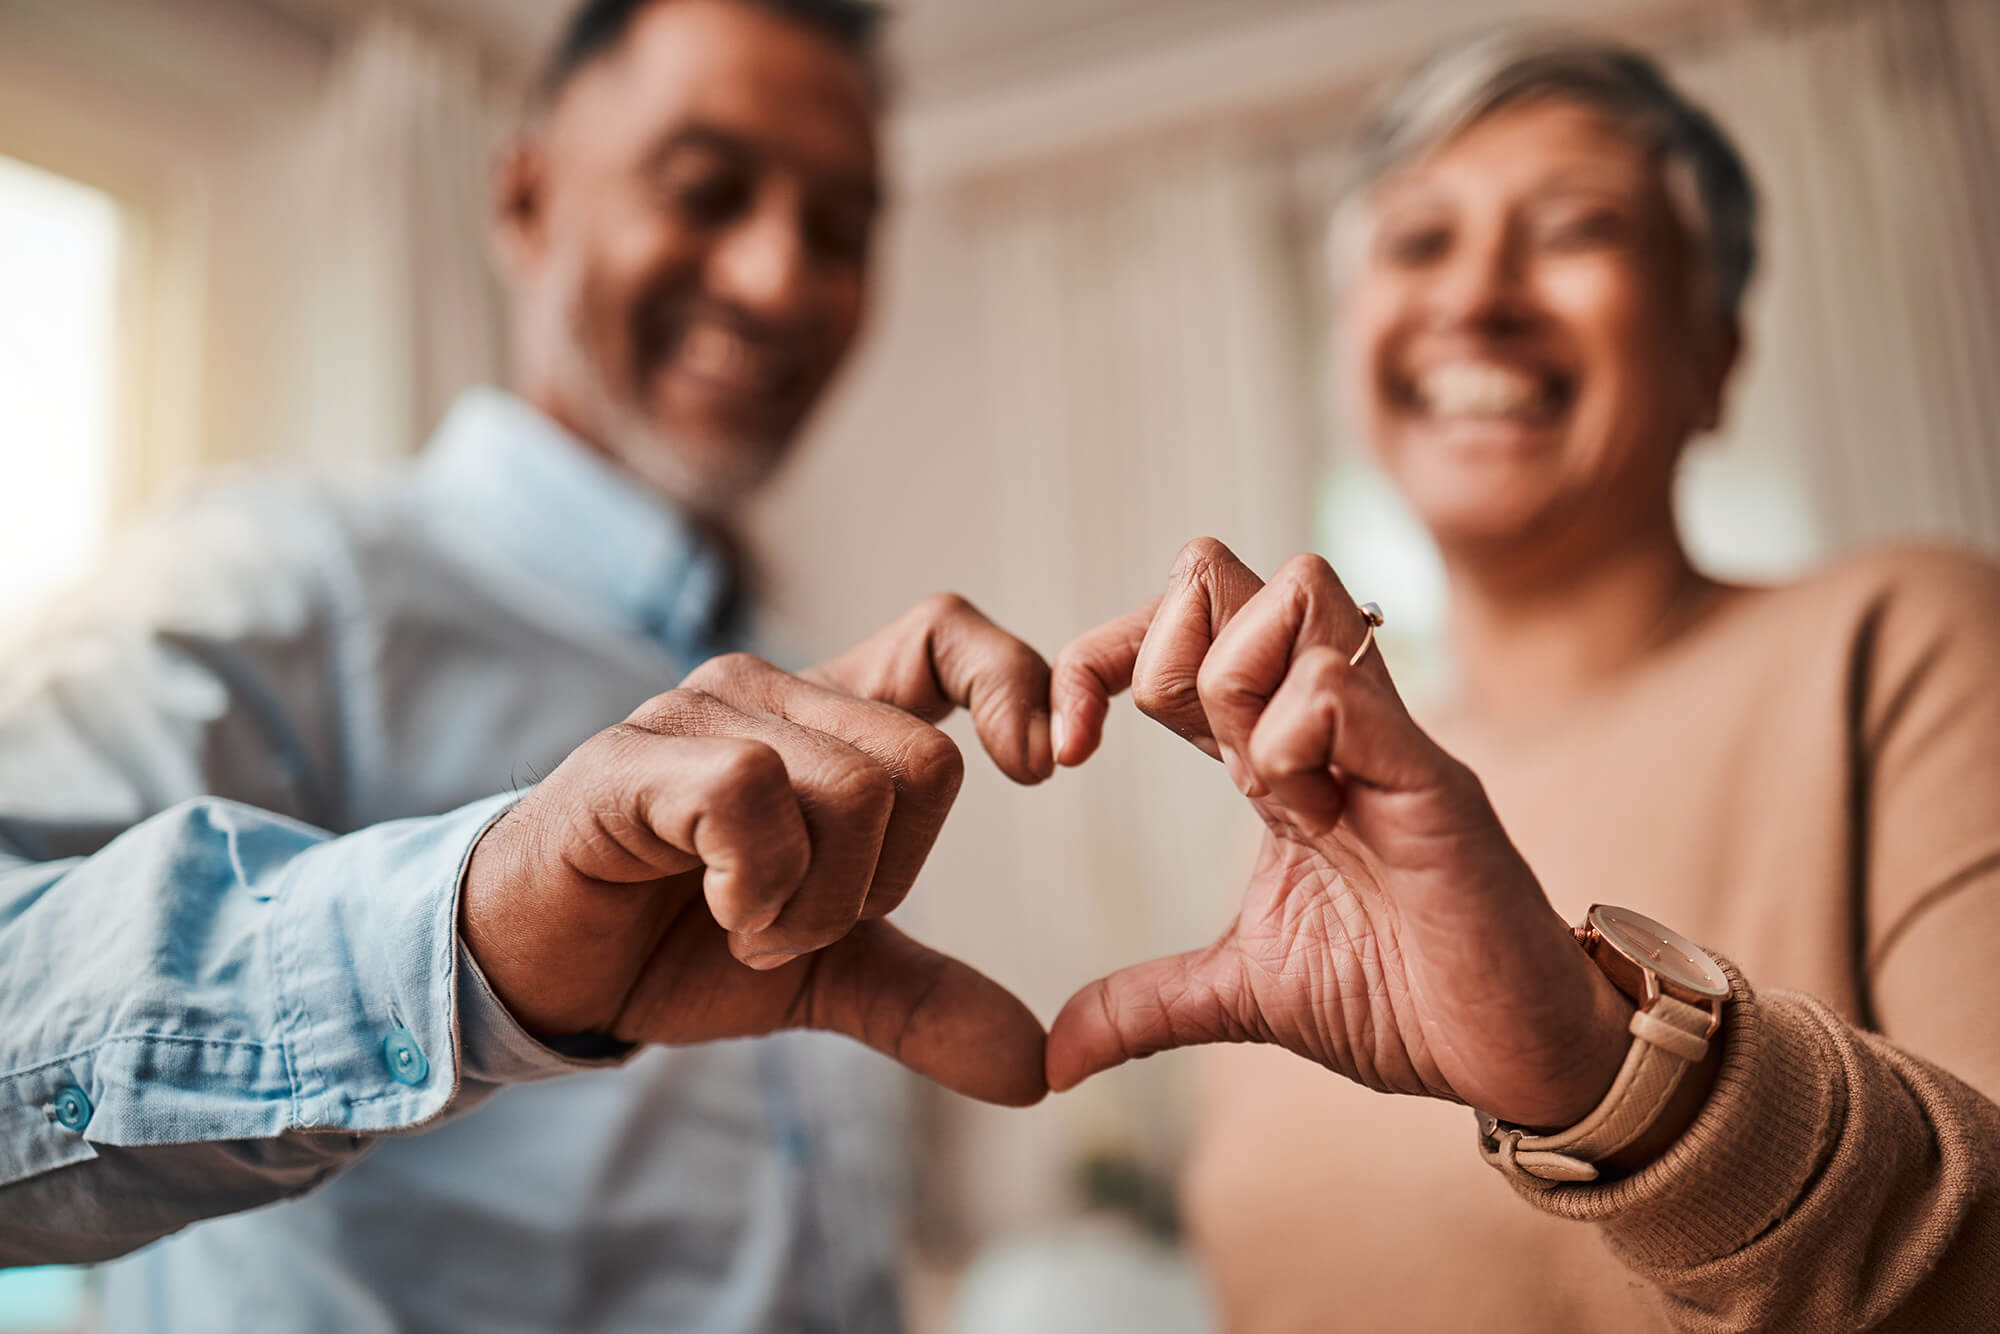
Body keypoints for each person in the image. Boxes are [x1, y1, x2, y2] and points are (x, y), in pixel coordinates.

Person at [0, 0, 1055, 1328]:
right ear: (525, 196)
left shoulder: (802, 671)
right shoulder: (281, 573)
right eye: (707, 188)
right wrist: (479, 937)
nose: (781, 276)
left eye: (840, 228)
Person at [1044, 28, 2000, 1331]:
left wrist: (1614, 1073)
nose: (1475, 296)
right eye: (1419, 242)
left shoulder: (1902, 639)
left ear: (1717, 356)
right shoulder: (1306, 794)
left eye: (1573, 230)